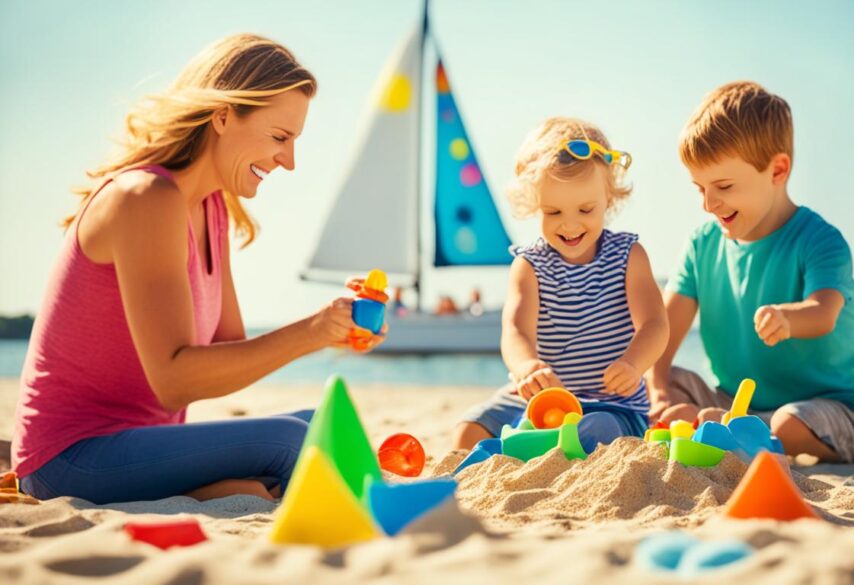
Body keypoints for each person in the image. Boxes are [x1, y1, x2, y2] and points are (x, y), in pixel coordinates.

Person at [10, 34, 386, 505]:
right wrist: (312, 329)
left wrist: (331, 330)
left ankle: (231, 492)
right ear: (223, 116)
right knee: (290, 443)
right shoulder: (144, 198)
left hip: (138, 446)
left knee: (316, 423)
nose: (289, 162)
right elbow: (177, 382)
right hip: (69, 461)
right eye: (279, 138)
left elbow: (226, 352)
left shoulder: (212, 207)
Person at [646, 81, 854, 463]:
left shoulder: (820, 240)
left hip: (824, 408)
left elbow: (824, 312)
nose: (708, 203)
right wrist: (658, 390)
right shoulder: (702, 244)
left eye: (723, 186)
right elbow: (665, 328)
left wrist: (788, 318)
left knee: (787, 424)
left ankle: (732, 432)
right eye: (699, 188)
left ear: (777, 170)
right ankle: (725, 428)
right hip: (733, 401)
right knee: (664, 378)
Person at [453, 117, 668, 451]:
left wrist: (634, 364)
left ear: (608, 200)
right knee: (469, 430)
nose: (570, 224)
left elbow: (655, 323)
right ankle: (529, 444)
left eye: (585, 209)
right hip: (541, 400)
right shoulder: (529, 265)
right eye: (553, 212)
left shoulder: (628, 256)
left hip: (610, 402)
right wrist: (527, 367)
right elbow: (515, 330)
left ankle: (534, 447)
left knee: (598, 431)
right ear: (534, 205)